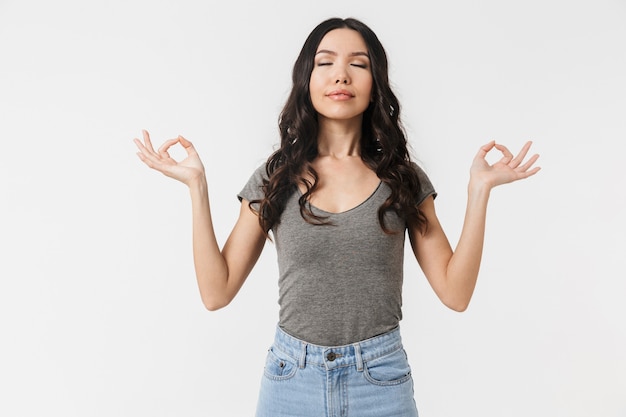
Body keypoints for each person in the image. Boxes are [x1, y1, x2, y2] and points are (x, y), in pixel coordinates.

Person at [134, 16, 540, 417]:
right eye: (325, 63)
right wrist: (196, 186)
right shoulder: (276, 179)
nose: (341, 76)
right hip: (291, 381)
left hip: (380, 381)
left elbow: (456, 293)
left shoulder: (403, 181)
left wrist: (478, 191)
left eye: (358, 64)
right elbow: (215, 291)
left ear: (375, 84)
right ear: (307, 81)